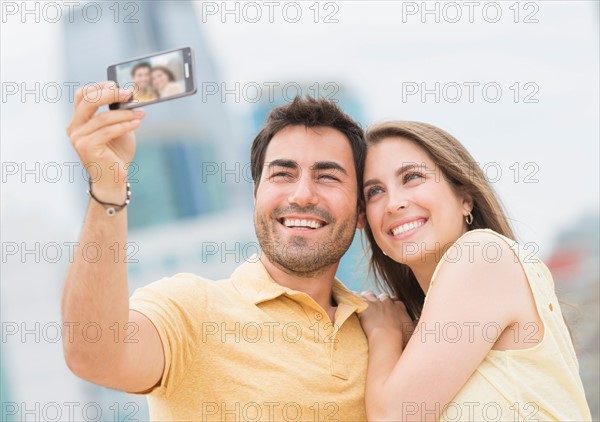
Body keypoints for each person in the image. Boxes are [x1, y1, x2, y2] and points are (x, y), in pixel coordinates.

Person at [62, 83, 369, 421]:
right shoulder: (192, 308)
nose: (302, 194)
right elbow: (95, 354)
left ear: (360, 212)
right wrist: (108, 185)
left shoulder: (381, 327)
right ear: (256, 195)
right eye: (282, 174)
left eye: (327, 177)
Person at [358, 121, 592, 421]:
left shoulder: (481, 255)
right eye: (375, 192)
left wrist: (383, 332)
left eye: (412, 177)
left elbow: (394, 417)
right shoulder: (429, 338)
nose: (394, 203)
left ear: (465, 198)